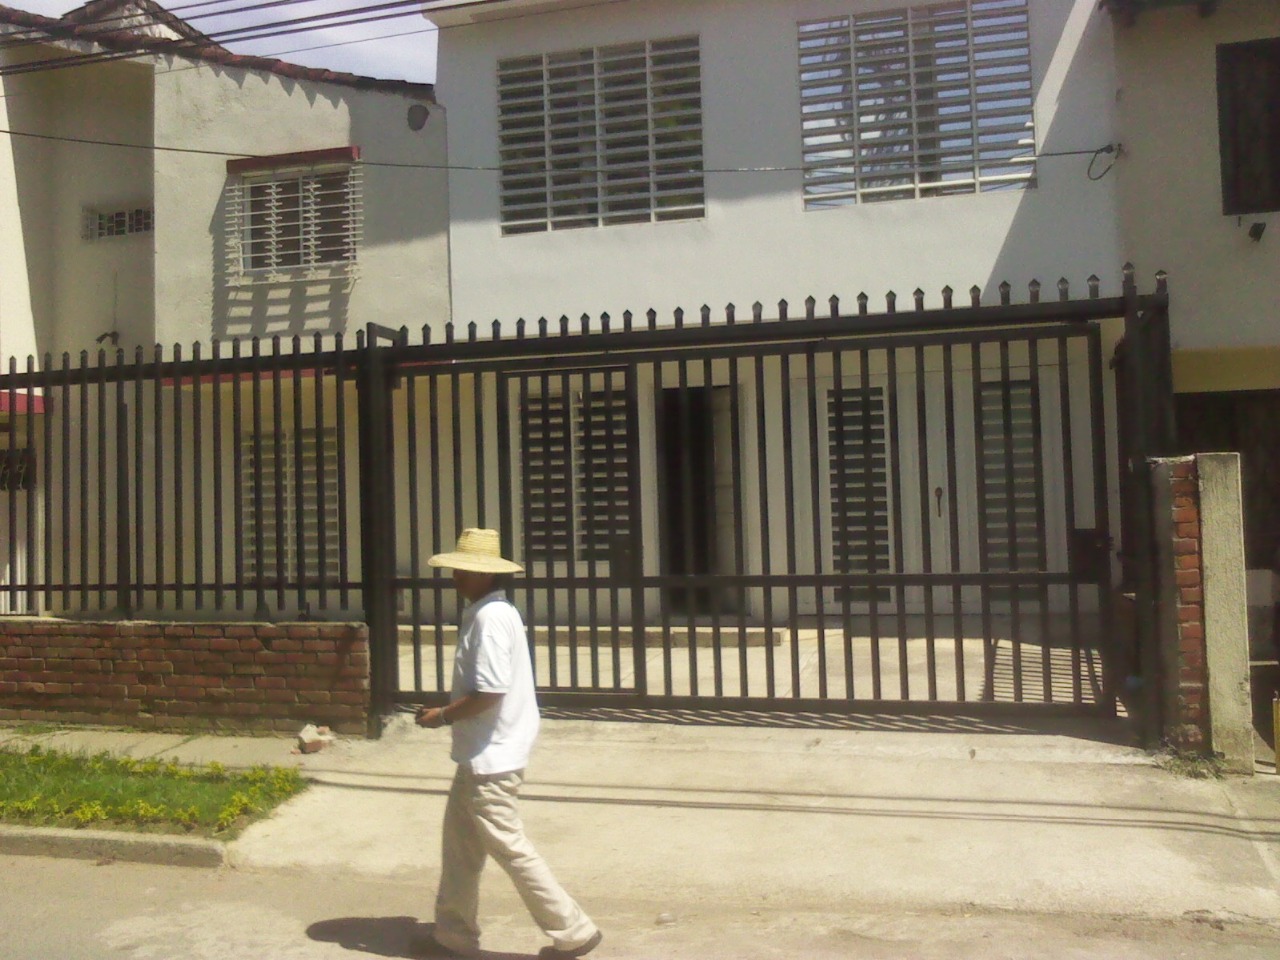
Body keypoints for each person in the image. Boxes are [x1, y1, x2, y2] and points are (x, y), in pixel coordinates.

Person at [413, 528, 602, 960]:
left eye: (465, 569)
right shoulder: (490, 612)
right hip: (481, 755)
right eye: (457, 568)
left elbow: (491, 691)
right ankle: (452, 935)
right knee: (460, 849)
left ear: (487, 575)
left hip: (491, 758)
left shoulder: (490, 619)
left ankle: (574, 931)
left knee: (510, 847)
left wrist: (443, 716)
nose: (457, 576)